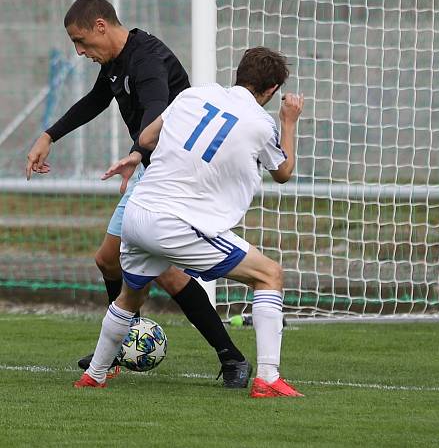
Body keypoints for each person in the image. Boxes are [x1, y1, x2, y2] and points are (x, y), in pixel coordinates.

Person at [25, 0, 251, 386]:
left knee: (161, 272)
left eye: (81, 41)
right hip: (151, 168)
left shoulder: (145, 57)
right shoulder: (116, 60)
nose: (79, 51)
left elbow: (156, 108)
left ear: (101, 26)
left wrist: (135, 152)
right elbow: (97, 100)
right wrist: (49, 134)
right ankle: (122, 347)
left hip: (172, 174)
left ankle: (231, 359)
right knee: (109, 261)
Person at [73, 46, 304, 397]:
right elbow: (284, 171)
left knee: (129, 296)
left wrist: (145, 156)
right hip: (177, 222)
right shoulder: (260, 123)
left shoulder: (197, 95)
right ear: (271, 91)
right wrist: (288, 122)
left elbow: (148, 138)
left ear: (239, 74)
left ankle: (95, 374)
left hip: (139, 212)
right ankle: (268, 379)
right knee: (269, 274)